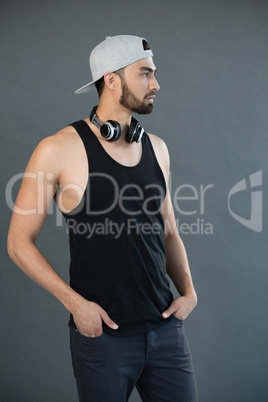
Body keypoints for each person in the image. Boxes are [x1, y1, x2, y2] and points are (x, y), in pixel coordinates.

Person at [7, 35, 199, 402]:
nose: (156, 84)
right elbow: (18, 244)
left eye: (154, 74)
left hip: (166, 333)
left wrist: (189, 293)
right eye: (145, 74)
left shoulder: (157, 148)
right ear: (111, 80)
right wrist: (76, 305)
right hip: (103, 337)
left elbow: (169, 232)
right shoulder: (57, 149)